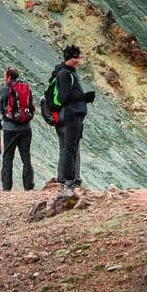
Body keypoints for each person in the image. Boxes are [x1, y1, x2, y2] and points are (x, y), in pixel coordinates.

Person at [49, 45, 95, 189]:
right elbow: (65, 96)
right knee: (70, 148)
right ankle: (70, 181)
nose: (79, 61)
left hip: (72, 115)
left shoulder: (69, 73)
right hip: (70, 116)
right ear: (71, 58)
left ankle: (67, 180)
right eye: (77, 58)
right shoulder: (65, 74)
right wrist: (84, 97)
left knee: (70, 148)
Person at [0, 66, 35, 191]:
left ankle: (7, 187)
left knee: (8, 157)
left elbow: (1, 107)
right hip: (26, 128)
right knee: (26, 157)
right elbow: (31, 105)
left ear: (8, 77)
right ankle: (28, 186)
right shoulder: (25, 87)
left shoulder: (5, 89)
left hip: (10, 129)